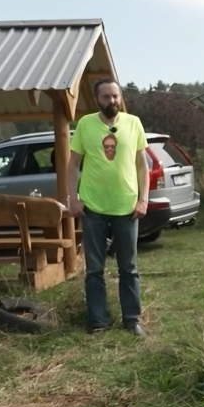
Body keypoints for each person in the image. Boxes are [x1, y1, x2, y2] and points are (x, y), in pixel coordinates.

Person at [67, 78, 150, 336]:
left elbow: (141, 165)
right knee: (94, 269)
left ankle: (132, 320)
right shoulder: (85, 124)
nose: (112, 101)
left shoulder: (133, 123)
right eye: (106, 97)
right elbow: (73, 165)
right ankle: (97, 321)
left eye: (115, 96)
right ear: (97, 99)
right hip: (93, 207)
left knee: (129, 267)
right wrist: (73, 198)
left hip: (127, 206)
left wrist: (143, 199)